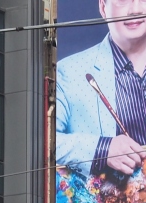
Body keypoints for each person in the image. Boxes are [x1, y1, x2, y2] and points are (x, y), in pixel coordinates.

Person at [55, 0, 146, 178]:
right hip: (105, 194)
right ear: (103, 7)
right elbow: (45, 143)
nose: (135, 9)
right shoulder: (68, 72)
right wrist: (103, 149)